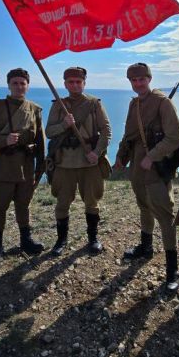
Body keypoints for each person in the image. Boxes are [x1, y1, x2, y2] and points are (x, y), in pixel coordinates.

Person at [114, 63, 179, 291]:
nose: (138, 84)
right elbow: (129, 135)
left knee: (164, 215)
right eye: (133, 80)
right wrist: (120, 158)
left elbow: (175, 137)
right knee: (144, 207)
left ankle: (172, 269)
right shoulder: (134, 104)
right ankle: (146, 247)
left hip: (156, 168)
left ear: (149, 78)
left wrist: (152, 156)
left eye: (141, 79)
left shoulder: (163, 103)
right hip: (137, 167)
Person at [0, 68, 45, 263]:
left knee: (24, 205)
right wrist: (3, 140)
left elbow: (40, 141)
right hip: (2, 167)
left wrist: (41, 167)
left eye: (23, 83)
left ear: (28, 85)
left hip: (26, 167)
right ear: (9, 85)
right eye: (15, 83)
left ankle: (26, 241)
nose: (19, 86)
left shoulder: (34, 109)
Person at [45, 67, 111, 256]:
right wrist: (64, 125)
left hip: (89, 162)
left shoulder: (94, 104)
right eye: (71, 82)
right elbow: (49, 132)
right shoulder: (59, 105)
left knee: (91, 202)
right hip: (64, 162)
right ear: (65, 84)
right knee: (62, 203)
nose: (74, 85)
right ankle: (61, 240)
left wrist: (97, 153)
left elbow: (106, 131)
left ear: (84, 83)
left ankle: (93, 238)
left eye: (78, 82)